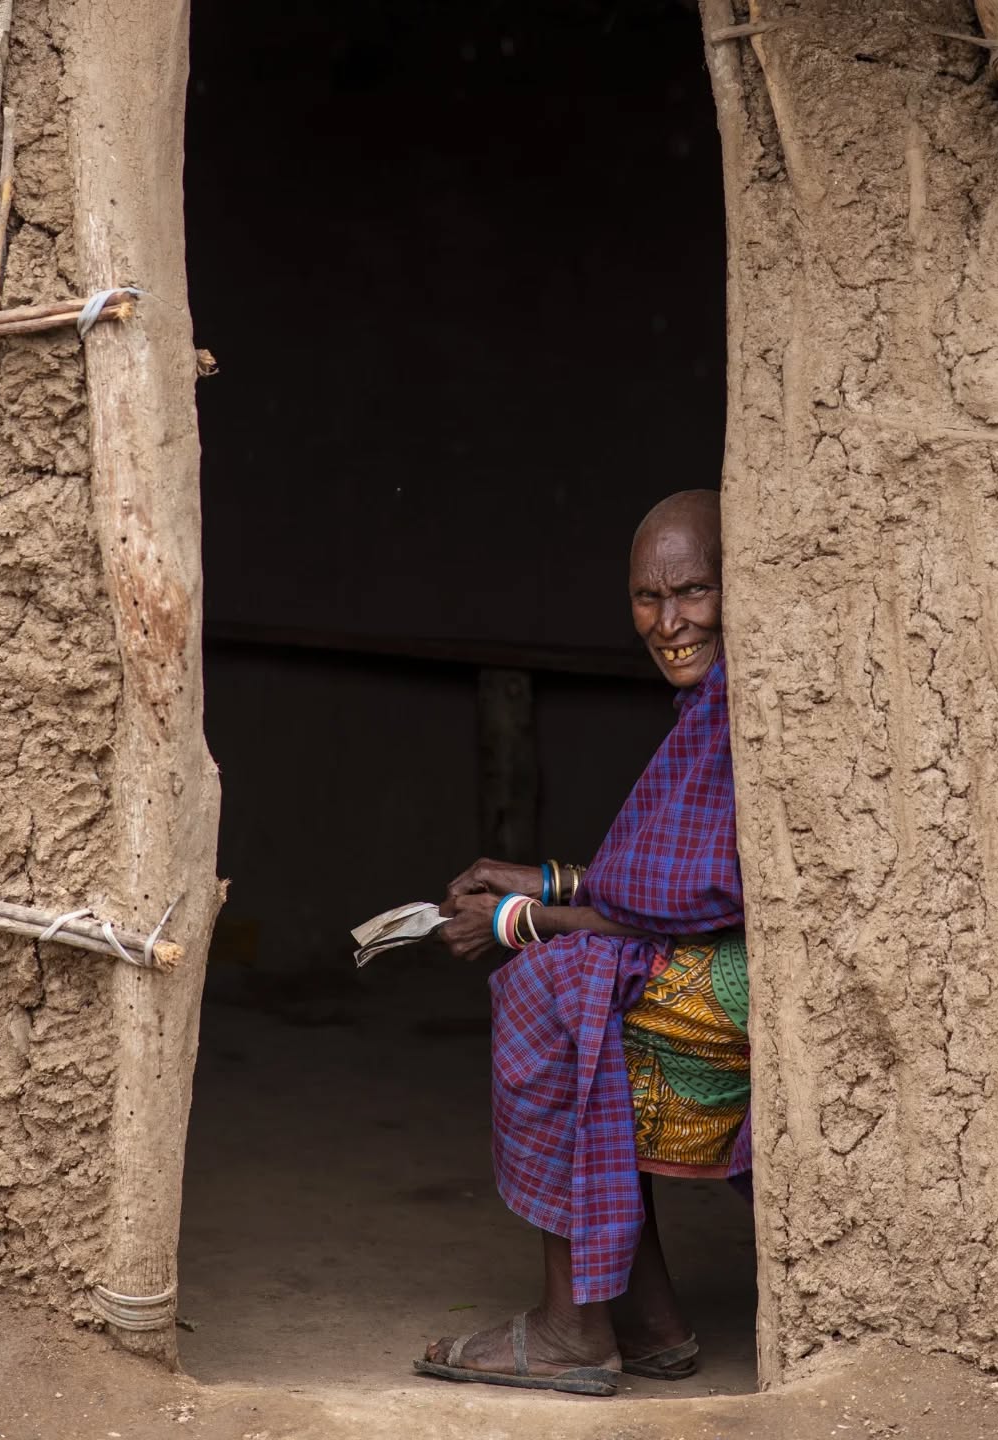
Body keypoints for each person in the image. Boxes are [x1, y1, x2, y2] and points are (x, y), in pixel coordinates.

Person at [415, 490, 749, 1397]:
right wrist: (548, 882)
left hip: (755, 990)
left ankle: (574, 1327)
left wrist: (520, 921)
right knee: (573, 975)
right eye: (648, 598)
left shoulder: (748, 706)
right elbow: (660, 887)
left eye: (695, 592)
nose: (670, 622)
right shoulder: (715, 697)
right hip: (728, 961)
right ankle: (646, 1323)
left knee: (557, 991)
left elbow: (696, 897)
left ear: (745, 584)